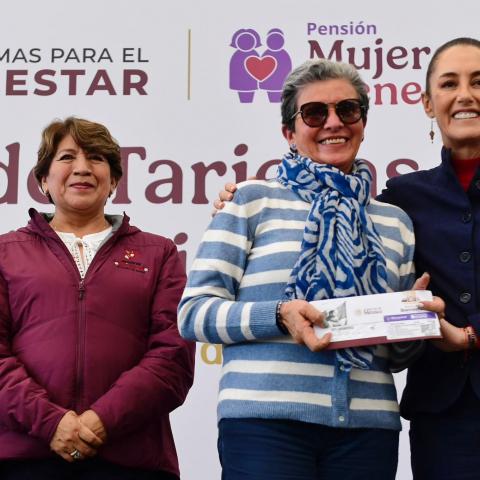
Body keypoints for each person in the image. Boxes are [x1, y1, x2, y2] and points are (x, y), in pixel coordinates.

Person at [215, 37, 480, 480]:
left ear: (362, 120)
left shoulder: (391, 214)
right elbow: (392, 342)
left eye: (348, 110)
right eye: (449, 83)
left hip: (366, 427)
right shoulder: (403, 202)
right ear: (429, 104)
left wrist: (464, 335)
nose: (465, 94)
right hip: (443, 419)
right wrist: (409, 320)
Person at [0, 117, 195, 480]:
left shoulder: (159, 252)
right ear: (43, 179)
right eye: (67, 157)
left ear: (115, 180)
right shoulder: (5, 252)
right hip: (23, 458)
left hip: (132, 459)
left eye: (96, 158)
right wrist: (51, 423)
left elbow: (173, 358)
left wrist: (101, 421)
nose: (82, 168)